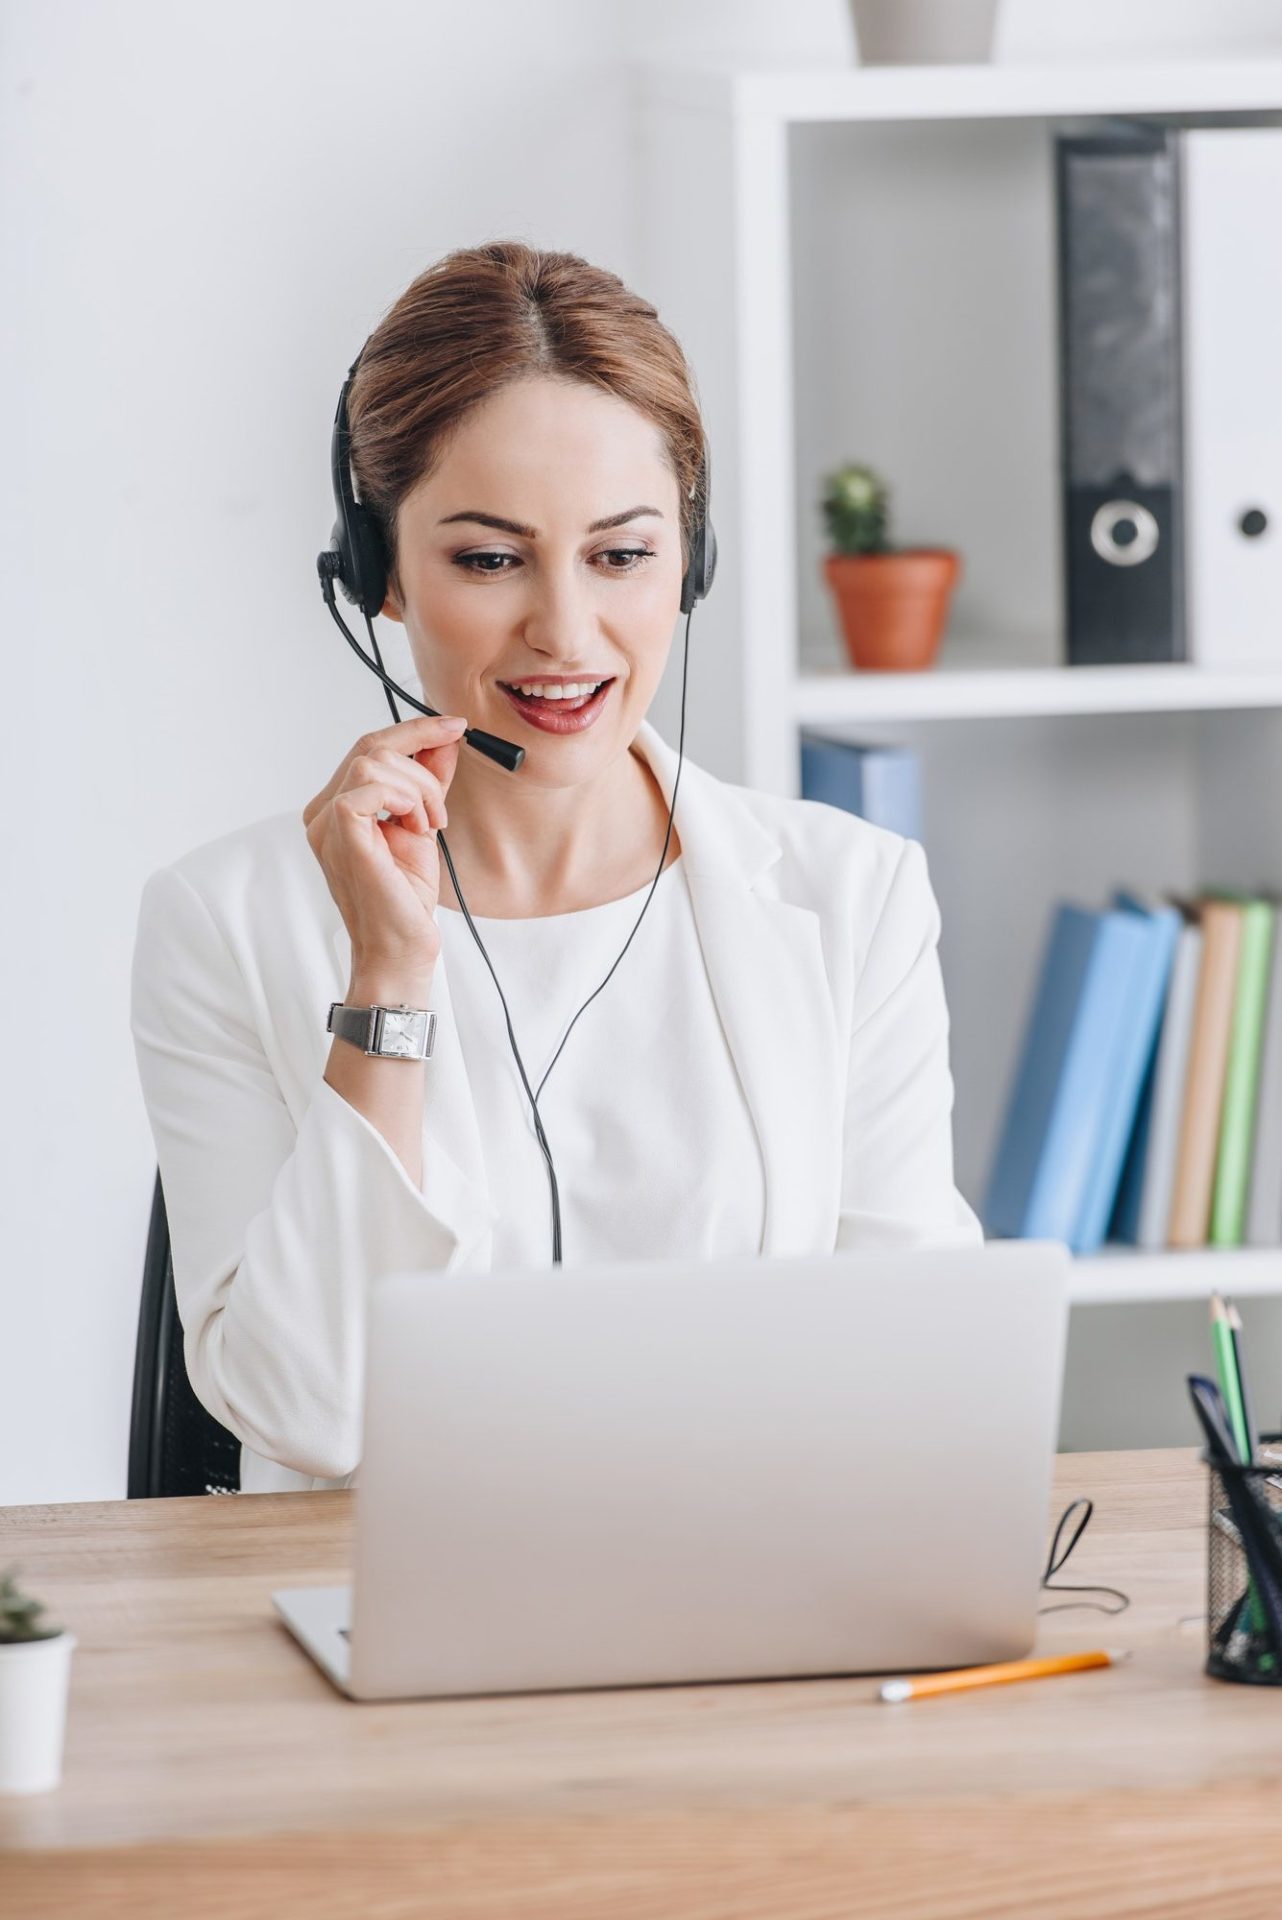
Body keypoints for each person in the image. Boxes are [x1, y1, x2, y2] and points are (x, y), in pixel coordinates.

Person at [130, 240, 982, 1496]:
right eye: (488, 559)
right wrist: (390, 979)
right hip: (390, 1633)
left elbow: (920, 1366)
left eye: (621, 555)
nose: (566, 634)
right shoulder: (225, 921)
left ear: (689, 563)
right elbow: (312, 1414)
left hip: (751, 1608)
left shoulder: (849, 897)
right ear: (375, 576)